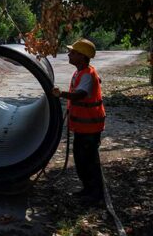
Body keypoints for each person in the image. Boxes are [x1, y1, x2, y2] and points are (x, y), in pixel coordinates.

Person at [51, 38, 106, 204]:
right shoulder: (81, 72)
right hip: (83, 127)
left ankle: (95, 194)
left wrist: (61, 94)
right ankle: (88, 190)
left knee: (89, 160)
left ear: (82, 57)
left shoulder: (88, 75)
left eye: (73, 52)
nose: (69, 54)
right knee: (81, 159)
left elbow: (81, 94)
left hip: (90, 128)